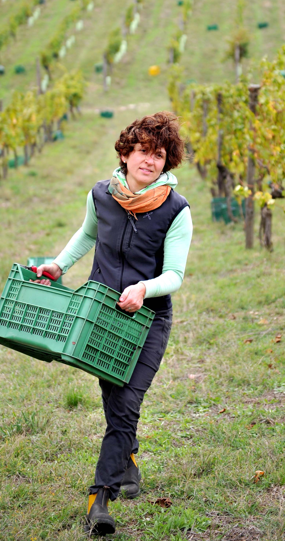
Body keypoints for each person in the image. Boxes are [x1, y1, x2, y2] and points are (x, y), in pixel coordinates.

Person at [34, 111, 193, 536]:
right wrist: (57, 265)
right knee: (113, 393)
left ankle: (99, 496)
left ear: (167, 161)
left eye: (159, 155)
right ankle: (129, 458)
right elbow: (88, 234)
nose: (150, 161)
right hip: (101, 313)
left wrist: (145, 288)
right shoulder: (101, 195)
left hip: (148, 318)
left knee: (127, 401)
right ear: (125, 153)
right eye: (142, 151)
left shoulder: (176, 210)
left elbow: (175, 275)